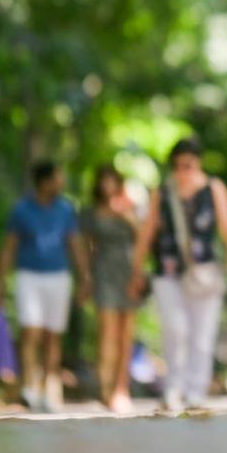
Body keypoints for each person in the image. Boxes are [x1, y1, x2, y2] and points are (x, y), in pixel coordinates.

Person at [128, 138, 227, 411]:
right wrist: (136, 270)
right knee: (175, 329)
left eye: (188, 165)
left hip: (205, 271)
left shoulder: (213, 189)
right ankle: (173, 387)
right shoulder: (163, 192)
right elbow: (148, 232)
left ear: (198, 163)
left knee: (202, 336)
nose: (183, 171)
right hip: (167, 270)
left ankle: (196, 391)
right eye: (178, 166)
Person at [0, 161, 91, 412]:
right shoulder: (22, 210)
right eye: (58, 177)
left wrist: (84, 277)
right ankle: (29, 387)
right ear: (45, 181)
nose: (61, 182)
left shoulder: (66, 209)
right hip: (29, 276)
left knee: (52, 335)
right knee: (30, 331)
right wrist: (1, 282)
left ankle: (49, 388)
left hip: (58, 276)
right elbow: (9, 247)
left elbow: (74, 244)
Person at [82, 163, 141, 412]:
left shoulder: (130, 207)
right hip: (103, 273)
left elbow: (143, 237)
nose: (108, 185)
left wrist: (126, 213)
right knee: (106, 331)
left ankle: (121, 388)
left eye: (112, 180)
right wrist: (86, 278)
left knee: (125, 334)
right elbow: (86, 247)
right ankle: (104, 388)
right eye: (103, 180)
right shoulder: (90, 213)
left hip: (128, 273)